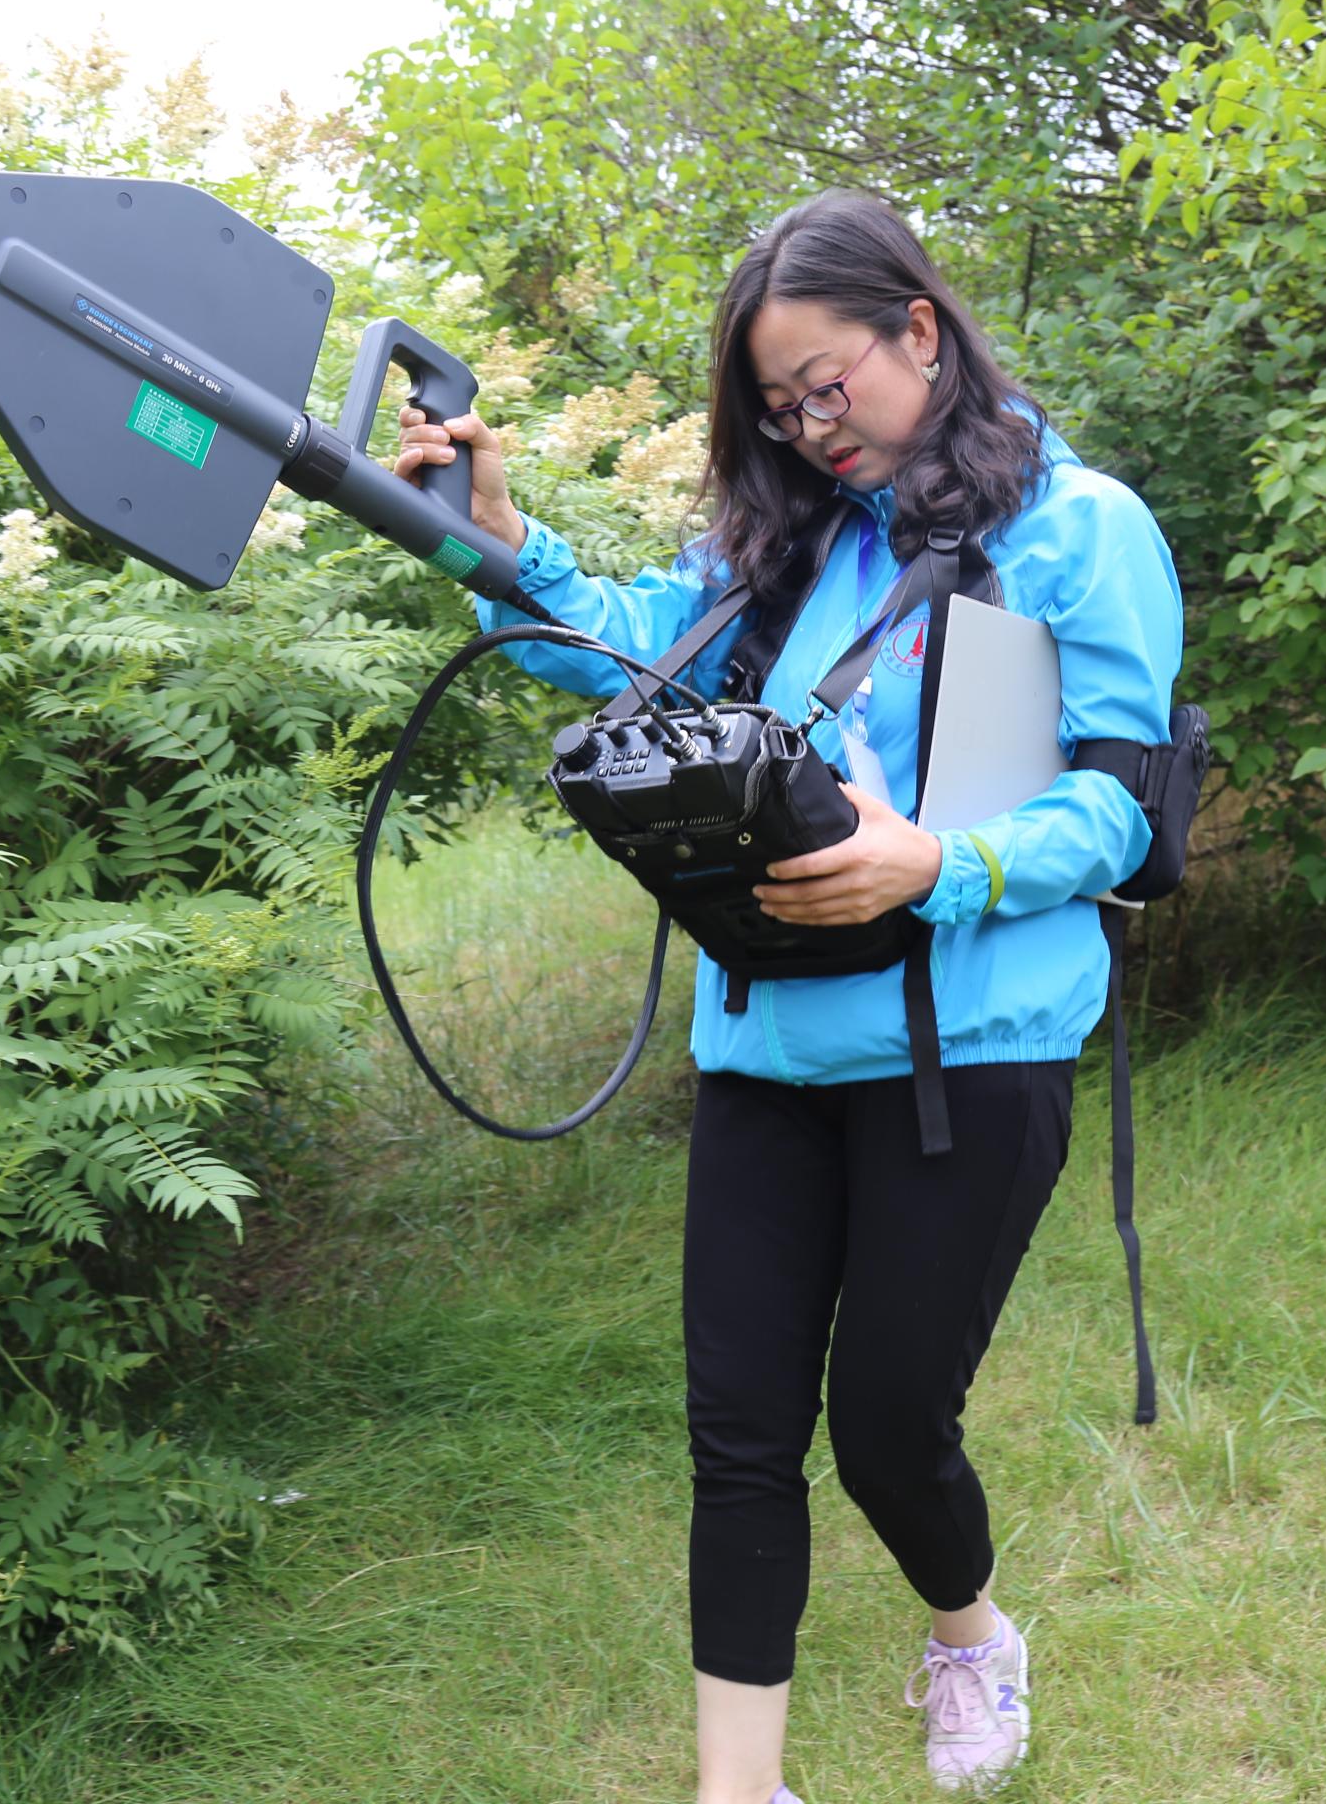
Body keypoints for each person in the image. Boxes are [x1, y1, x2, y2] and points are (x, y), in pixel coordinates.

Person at [391, 190, 1184, 1803]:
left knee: (889, 1428)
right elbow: (632, 648)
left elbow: (1121, 811)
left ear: (920, 329)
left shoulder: (1078, 529)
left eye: (830, 385)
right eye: (780, 408)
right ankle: (737, 1790)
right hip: (765, 1045)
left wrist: (934, 865)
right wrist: (499, 540)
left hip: (971, 1056)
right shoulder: (800, 539)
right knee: (740, 1436)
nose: (815, 430)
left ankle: (971, 1636)